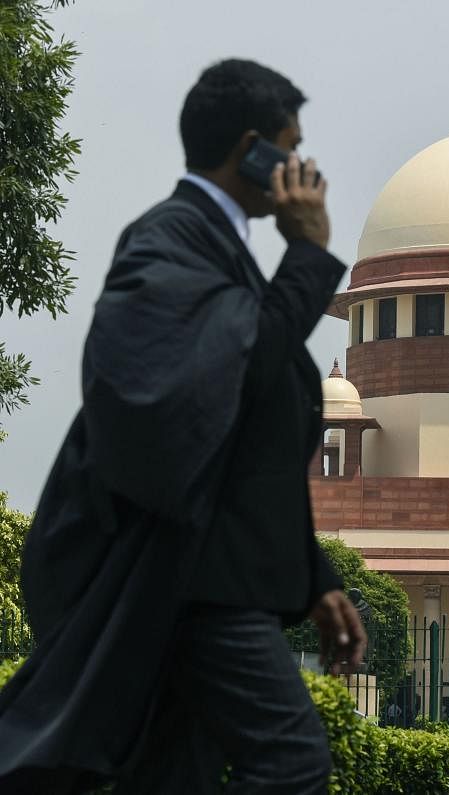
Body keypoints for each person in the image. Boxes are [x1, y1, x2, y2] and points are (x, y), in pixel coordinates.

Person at [0, 59, 365, 793]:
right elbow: (222, 389)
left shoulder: (214, 249)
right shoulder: (167, 241)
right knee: (293, 760)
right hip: (194, 586)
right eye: (291, 147)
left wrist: (314, 575)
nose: (303, 168)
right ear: (253, 148)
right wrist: (310, 255)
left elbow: (246, 439)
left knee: (172, 776)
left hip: (206, 574)